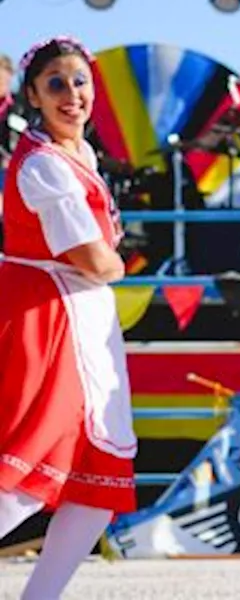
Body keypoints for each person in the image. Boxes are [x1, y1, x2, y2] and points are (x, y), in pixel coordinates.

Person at [0, 36, 136, 599]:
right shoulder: (43, 166)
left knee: (97, 483)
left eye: (79, 81)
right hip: (47, 318)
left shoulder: (79, 156)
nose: (72, 94)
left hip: (82, 321)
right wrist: (113, 264)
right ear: (32, 94)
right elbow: (98, 260)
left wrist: (109, 265)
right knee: (28, 470)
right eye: (56, 83)